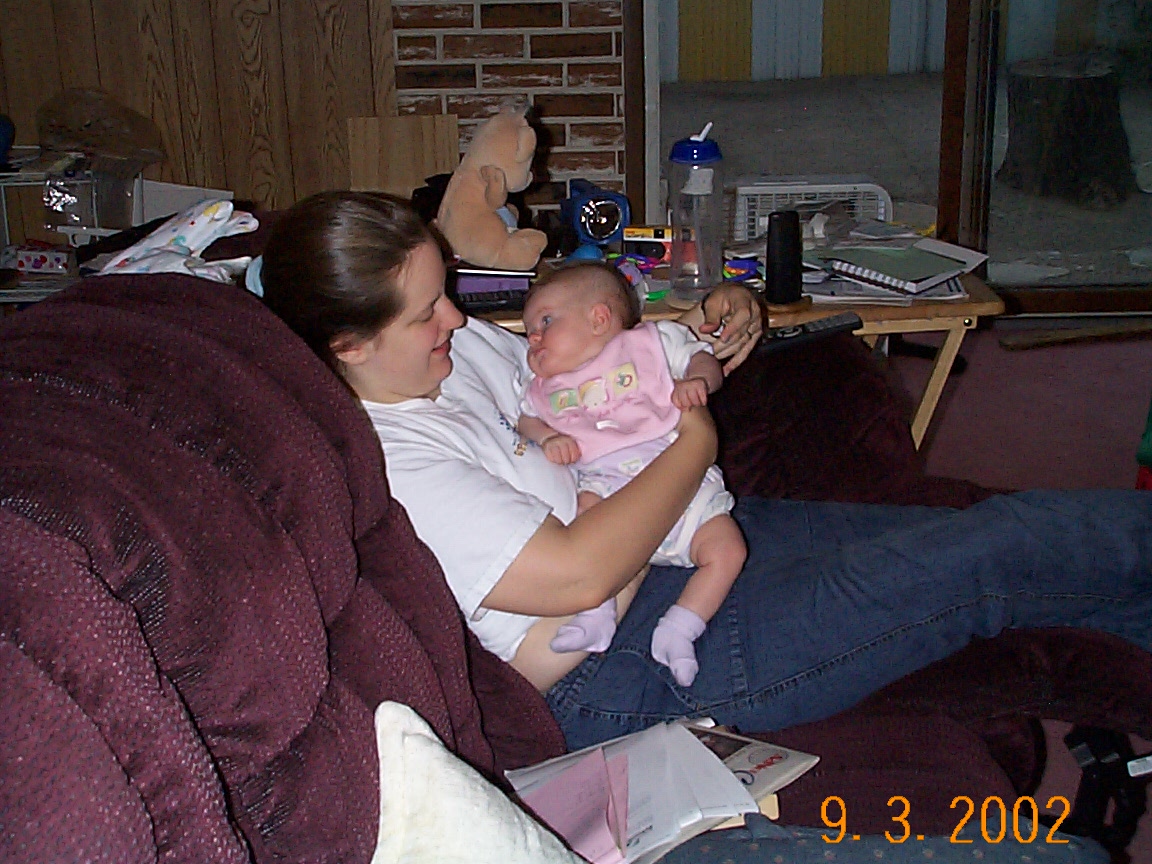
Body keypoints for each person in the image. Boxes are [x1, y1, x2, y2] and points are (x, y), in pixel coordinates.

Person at [259, 191, 1152, 760]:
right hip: (622, 666)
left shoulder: (452, 359)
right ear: (350, 346)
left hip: (673, 543)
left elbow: (593, 345)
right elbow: (579, 576)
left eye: (447, 292)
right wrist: (692, 441)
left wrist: (707, 313)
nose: (457, 318)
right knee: (989, 555)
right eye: (428, 311)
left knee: (971, 528)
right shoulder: (393, 459)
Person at [515, 262, 746, 686]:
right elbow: (526, 420)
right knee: (585, 511)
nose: (533, 337)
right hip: (608, 487)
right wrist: (548, 437)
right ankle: (597, 614)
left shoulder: (652, 342)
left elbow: (703, 358)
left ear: (599, 318)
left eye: (545, 322)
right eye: (530, 330)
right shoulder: (542, 387)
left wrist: (696, 381)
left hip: (679, 476)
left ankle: (680, 628)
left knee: (728, 551)